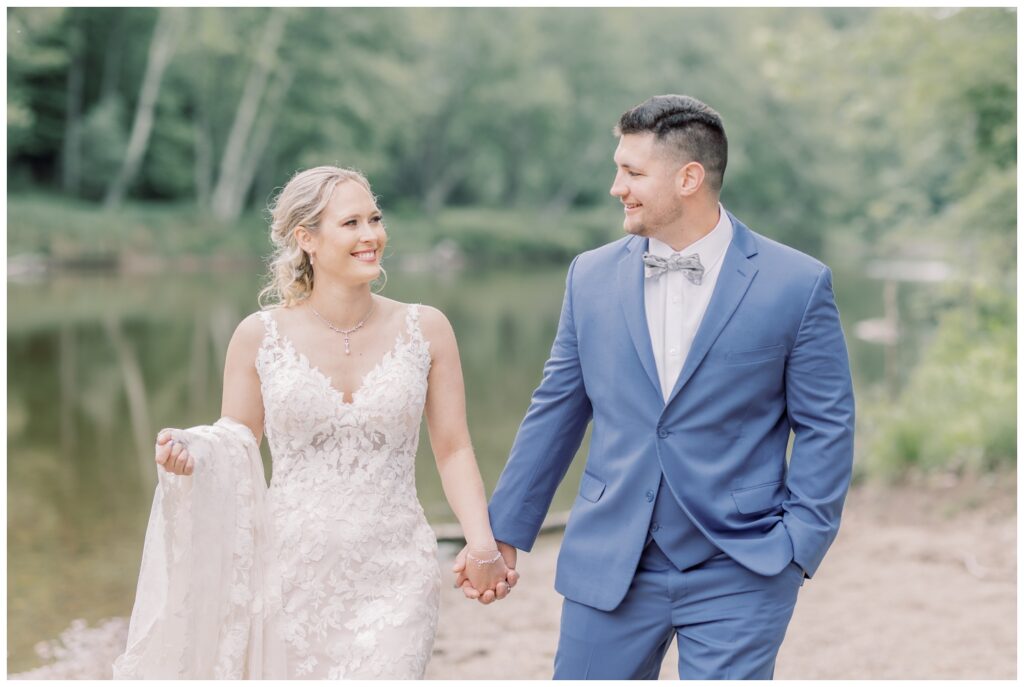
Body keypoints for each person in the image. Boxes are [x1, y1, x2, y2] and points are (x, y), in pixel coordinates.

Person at [454, 95, 855, 679]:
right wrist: (504, 534)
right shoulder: (589, 276)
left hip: (742, 564)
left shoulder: (797, 283)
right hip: (609, 558)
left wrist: (799, 545)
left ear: (689, 178)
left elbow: (827, 425)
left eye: (633, 172)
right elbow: (557, 411)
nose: (617, 187)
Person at [119, 166, 517, 679]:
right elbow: (236, 440)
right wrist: (190, 451)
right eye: (350, 223)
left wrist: (481, 542)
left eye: (374, 219)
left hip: (396, 569)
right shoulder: (258, 335)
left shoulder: (427, 328)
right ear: (306, 238)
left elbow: (454, 449)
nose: (371, 235)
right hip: (289, 570)